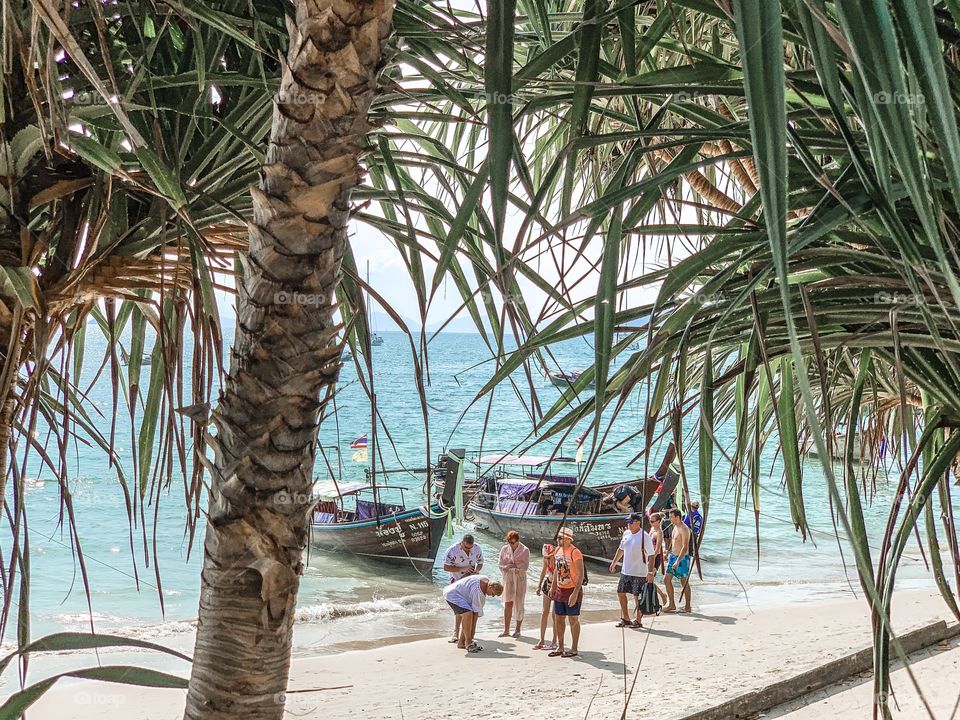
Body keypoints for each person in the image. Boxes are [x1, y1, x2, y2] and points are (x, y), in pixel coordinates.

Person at [608, 513, 655, 628]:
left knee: (637, 596)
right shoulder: (626, 533)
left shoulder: (644, 536)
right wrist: (614, 562)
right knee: (620, 592)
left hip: (639, 572)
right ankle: (626, 618)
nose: (628, 524)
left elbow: (652, 555)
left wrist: (650, 572)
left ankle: (638, 620)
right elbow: (621, 549)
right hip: (625, 570)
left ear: (638, 522)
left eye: (630, 522)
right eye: (627, 522)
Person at [442, 575, 503, 653]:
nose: (492, 596)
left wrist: (472, 631)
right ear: (490, 587)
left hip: (456, 592)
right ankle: (468, 643)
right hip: (452, 595)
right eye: (493, 594)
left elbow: (475, 613)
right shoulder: (478, 592)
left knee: (468, 614)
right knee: (468, 614)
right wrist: (472, 632)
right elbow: (475, 615)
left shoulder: (485, 579)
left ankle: (461, 643)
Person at [548, 527, 584, 658]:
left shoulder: (575, 552)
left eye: (560, 538)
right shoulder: (557, 550)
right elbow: (557, 571)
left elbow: (580, 575)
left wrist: (575, 593)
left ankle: (574, 648)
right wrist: (553, 587)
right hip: (560, 589)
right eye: (558, 538)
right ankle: (560, 646)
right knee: (558, 618)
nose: (558, 540)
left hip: (572, 589)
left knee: (573, 619)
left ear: (568, 539)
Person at [443, 535, 484, 642]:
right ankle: (456, 631)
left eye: (470, 548)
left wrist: (477, 571)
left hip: (471, 582)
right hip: (457, 582)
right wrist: (463, 568)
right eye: (466, 548)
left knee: (469, 607)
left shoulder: (477, 548)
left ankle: (466, 633)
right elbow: (445, 567)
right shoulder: (452, 550)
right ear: (462, 542)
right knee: (460, 607)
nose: (469, 549)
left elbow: (480, 562)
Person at [498, 530, 530, 638]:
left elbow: (525, 567)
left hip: (520, 579)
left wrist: (512, 567)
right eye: (509, 542)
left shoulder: (525, 550)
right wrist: (509, 567)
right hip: (508, 579)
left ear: (518, 541)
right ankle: (506, 630)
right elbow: (501, 564)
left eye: (513, 542)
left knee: (519, 603)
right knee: (508, 603)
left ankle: (518, 630)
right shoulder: (504, 549)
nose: (510, 544)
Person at [664, 508, 692, 613]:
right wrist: (667, 553)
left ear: (677, 517)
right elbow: (673, 541)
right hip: (673, 556)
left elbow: (685, 547)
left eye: (671, 516)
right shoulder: (675, 527)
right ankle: (672, 604)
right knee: (666, 579)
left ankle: (688, 606)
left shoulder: (684, 529)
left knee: (683, 581)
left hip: (682, 558)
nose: (669, 519)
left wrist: (678, 561)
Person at [533, 543, 558, 650]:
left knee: (554, 614)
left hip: (557, 586)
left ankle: (554, 641)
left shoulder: (558, 559)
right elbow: (544, 570)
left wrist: (553, 587)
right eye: (545, 557)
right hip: (548, 583)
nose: (547, 559)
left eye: (549, 557)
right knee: (544, 612)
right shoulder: (546, 559)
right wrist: (538, 586)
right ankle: (542, 640)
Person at [648, 512, 668, 604]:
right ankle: (653, 598)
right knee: (647, 579)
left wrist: (651, 560)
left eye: (652, 521)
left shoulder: (659, 532)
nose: (650, 522)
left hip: (655, 558)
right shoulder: (652, 529)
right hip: (649, 555)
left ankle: (662, 595)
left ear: (658, 521)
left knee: (649, 579)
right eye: (650, 520)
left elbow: (657, 549)